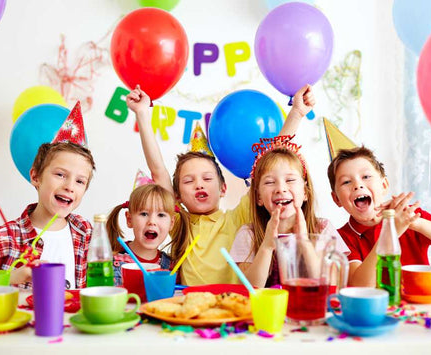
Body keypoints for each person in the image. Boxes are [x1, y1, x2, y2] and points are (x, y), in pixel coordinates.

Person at [126, 84, 315, 285]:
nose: (199, 185)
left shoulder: (237, 219)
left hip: (232, 306)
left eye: (207, 179)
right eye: (189, 181)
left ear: (223, 189)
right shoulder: (179, 224)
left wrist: (296, 113)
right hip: (191, 309)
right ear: (177, 195)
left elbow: (268, 164)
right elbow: (158, 171)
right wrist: (142, 113)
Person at [0, 142, 96, 295]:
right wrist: (11, 277)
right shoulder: (4, 237)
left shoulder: (85, 231)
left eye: (80, 181)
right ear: (35, 176)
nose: (70, 186)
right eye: (60, 175)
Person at [327, 146, 431, 286]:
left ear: (384, 185)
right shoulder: (340, 238)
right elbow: (360, 286)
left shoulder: (410, 217)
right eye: (346, 181)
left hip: (420, 307)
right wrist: (391, 233)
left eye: (366, 176)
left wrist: (415, 223)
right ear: (336, 199)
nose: (357, 185)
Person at [230, 136, 349, 287]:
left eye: (290, 180)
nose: (280, 188)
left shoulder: (323, 229)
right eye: (270, 182)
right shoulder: (248, 234)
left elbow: (330, 284)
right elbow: (251, 287)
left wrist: (304, 242)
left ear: (305, 192)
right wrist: (267, 246)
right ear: (258, 197)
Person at [106, 184, 189, 286]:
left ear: (171, 223)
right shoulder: (109, 261)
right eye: (144, 214)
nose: (152, 222)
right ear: (129, 219)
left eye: (161, 215)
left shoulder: (171, 268)